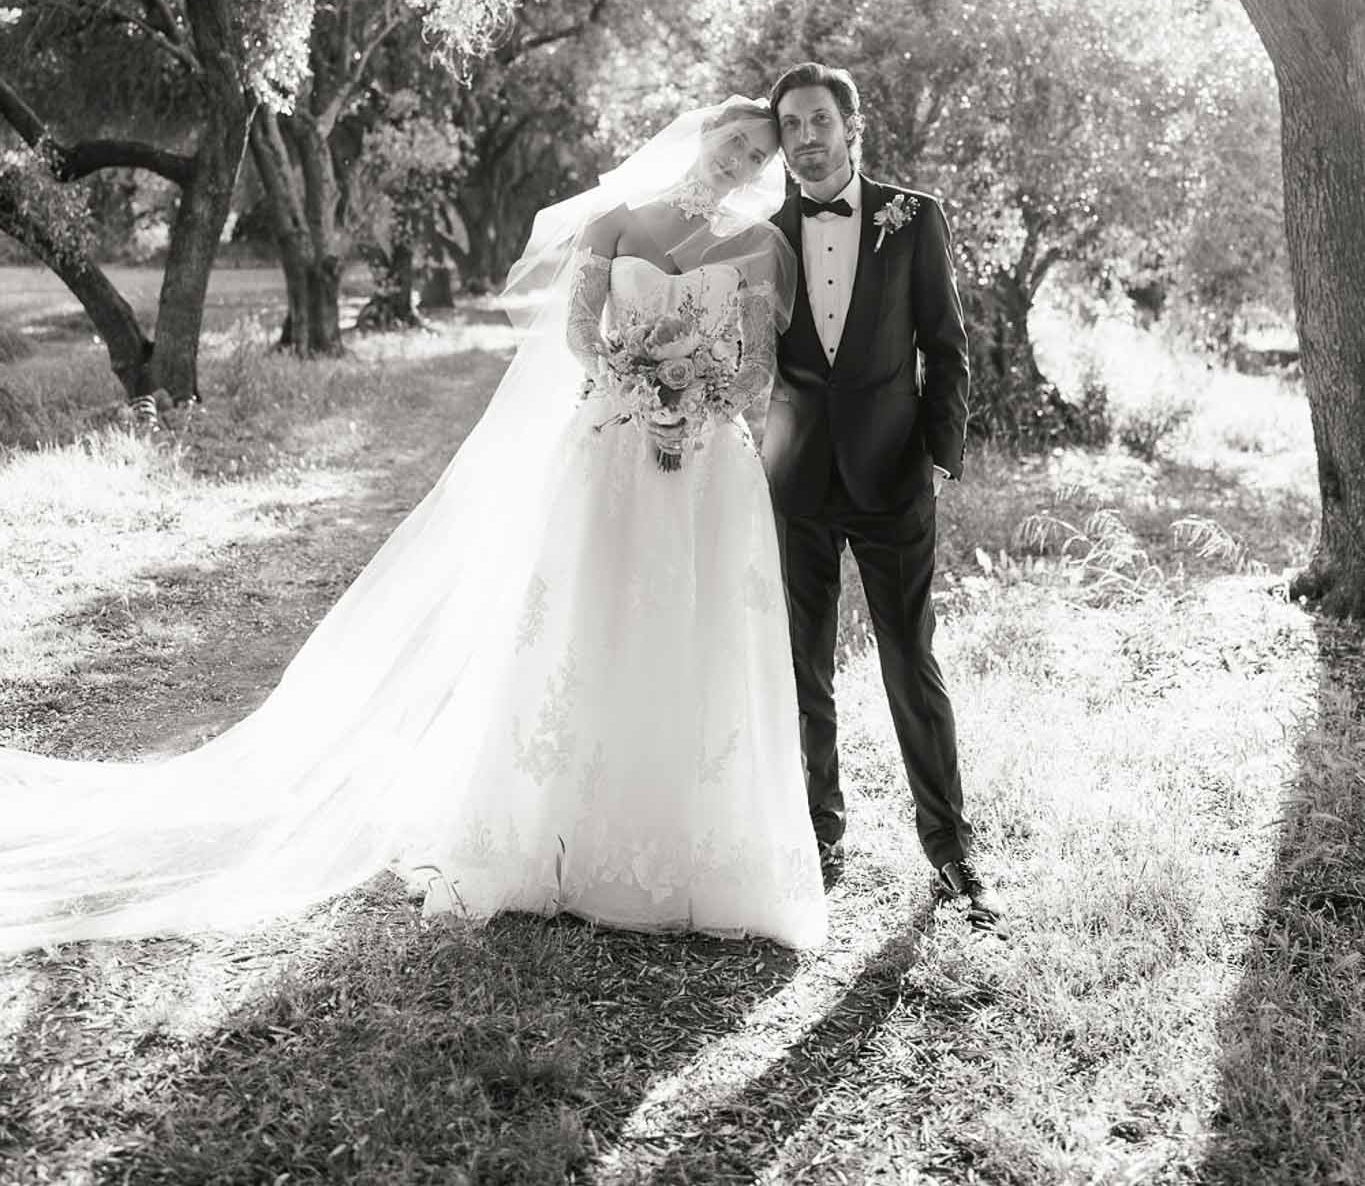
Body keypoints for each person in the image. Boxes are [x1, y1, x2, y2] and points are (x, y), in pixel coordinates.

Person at [0, 101, 826, 954]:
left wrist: (691, 400)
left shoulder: (759, 246)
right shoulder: (617, 220)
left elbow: (758, 364)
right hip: (611, 444)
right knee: (592, 616)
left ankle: (688, 844)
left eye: (758, 154)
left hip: (705, 464)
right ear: (700, 135)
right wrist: (633, 380)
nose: (740, 160)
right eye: (733, 141)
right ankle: (556, 836)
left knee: (695, 632)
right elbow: (579, 334)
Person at [761, 62, 1002, 932]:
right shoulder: (761, 232)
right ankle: (818, 835)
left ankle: (949, 846)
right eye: (789, 124)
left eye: (819, 119)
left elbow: (945, 342)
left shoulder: (913, 216)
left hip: (894, 476)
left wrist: (938, 454)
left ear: (851, 126)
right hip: (794, 483)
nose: (805, 137)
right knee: (803, 667)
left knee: (911, 660)